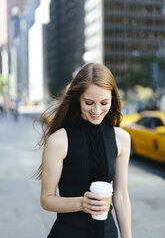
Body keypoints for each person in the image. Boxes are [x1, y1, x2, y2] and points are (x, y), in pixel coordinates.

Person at [36, 63, 132, 238]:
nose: (96, 110)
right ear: (78, 98)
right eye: (89, 103)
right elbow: (46, 199)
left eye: (104, 103)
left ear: (113, 98)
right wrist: (81, 203)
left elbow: (121, 196)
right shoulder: (59, 141)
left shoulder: (122, 138)